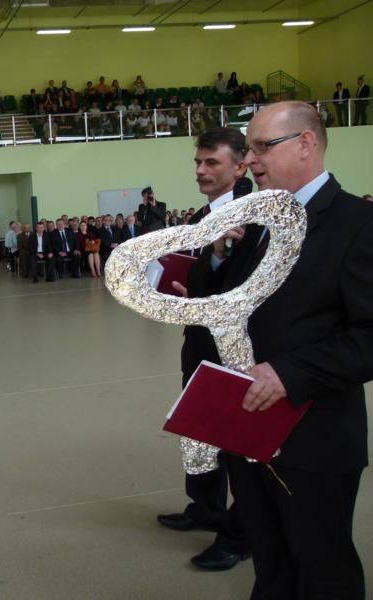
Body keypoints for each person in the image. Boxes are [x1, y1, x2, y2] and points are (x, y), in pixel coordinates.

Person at [225, 101, 373, 598]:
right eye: (248, 150)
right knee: (271, 564)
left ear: (306, 144)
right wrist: (220, 253)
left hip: (315, 439)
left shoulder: (357, 224)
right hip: (249, 430)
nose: (251, 161)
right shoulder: (259, 224)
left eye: (263, 146)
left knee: (322, 569)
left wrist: (289, 373)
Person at [157, 127, 250, 571]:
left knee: (234, 439)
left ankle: (240, 532)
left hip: (231, 344)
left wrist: (199, 285)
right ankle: (205, 506)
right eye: (198, 162)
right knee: (198, 428)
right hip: (197, 336)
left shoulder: (251, 213)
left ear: (240, 164)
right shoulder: (203, 214)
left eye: (212, 162)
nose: (201, 170)